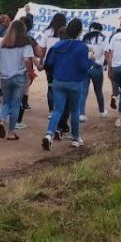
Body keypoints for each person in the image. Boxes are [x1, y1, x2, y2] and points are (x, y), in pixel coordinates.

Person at [42, 19, 92, 151]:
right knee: (74, 110)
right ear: (80, 31)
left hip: (58, 81)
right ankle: (75, 138)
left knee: (57, 110)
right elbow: (83, 67)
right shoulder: (82, 47)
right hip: (75, 82)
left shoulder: (58, 46)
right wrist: (91, 60)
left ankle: (49, 134)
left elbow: (50, 63)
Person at [0, 20, 38, 141]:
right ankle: (11, 132)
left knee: (6, 102)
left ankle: (2, 121)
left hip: (4, 76)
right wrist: (30, 72)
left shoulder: (3, 43)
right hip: (19, 76)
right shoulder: (25, 44)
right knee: (15, 104)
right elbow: (27, 60)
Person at [80, 22, 109, 121]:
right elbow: (106, 52)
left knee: (83, 91)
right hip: (96, 67)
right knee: (98, 91)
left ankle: (82, 114)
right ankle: (102, 111)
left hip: (85, 66)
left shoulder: (85, 37)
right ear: (100, 29)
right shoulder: (104, 38)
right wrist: (106, 64)